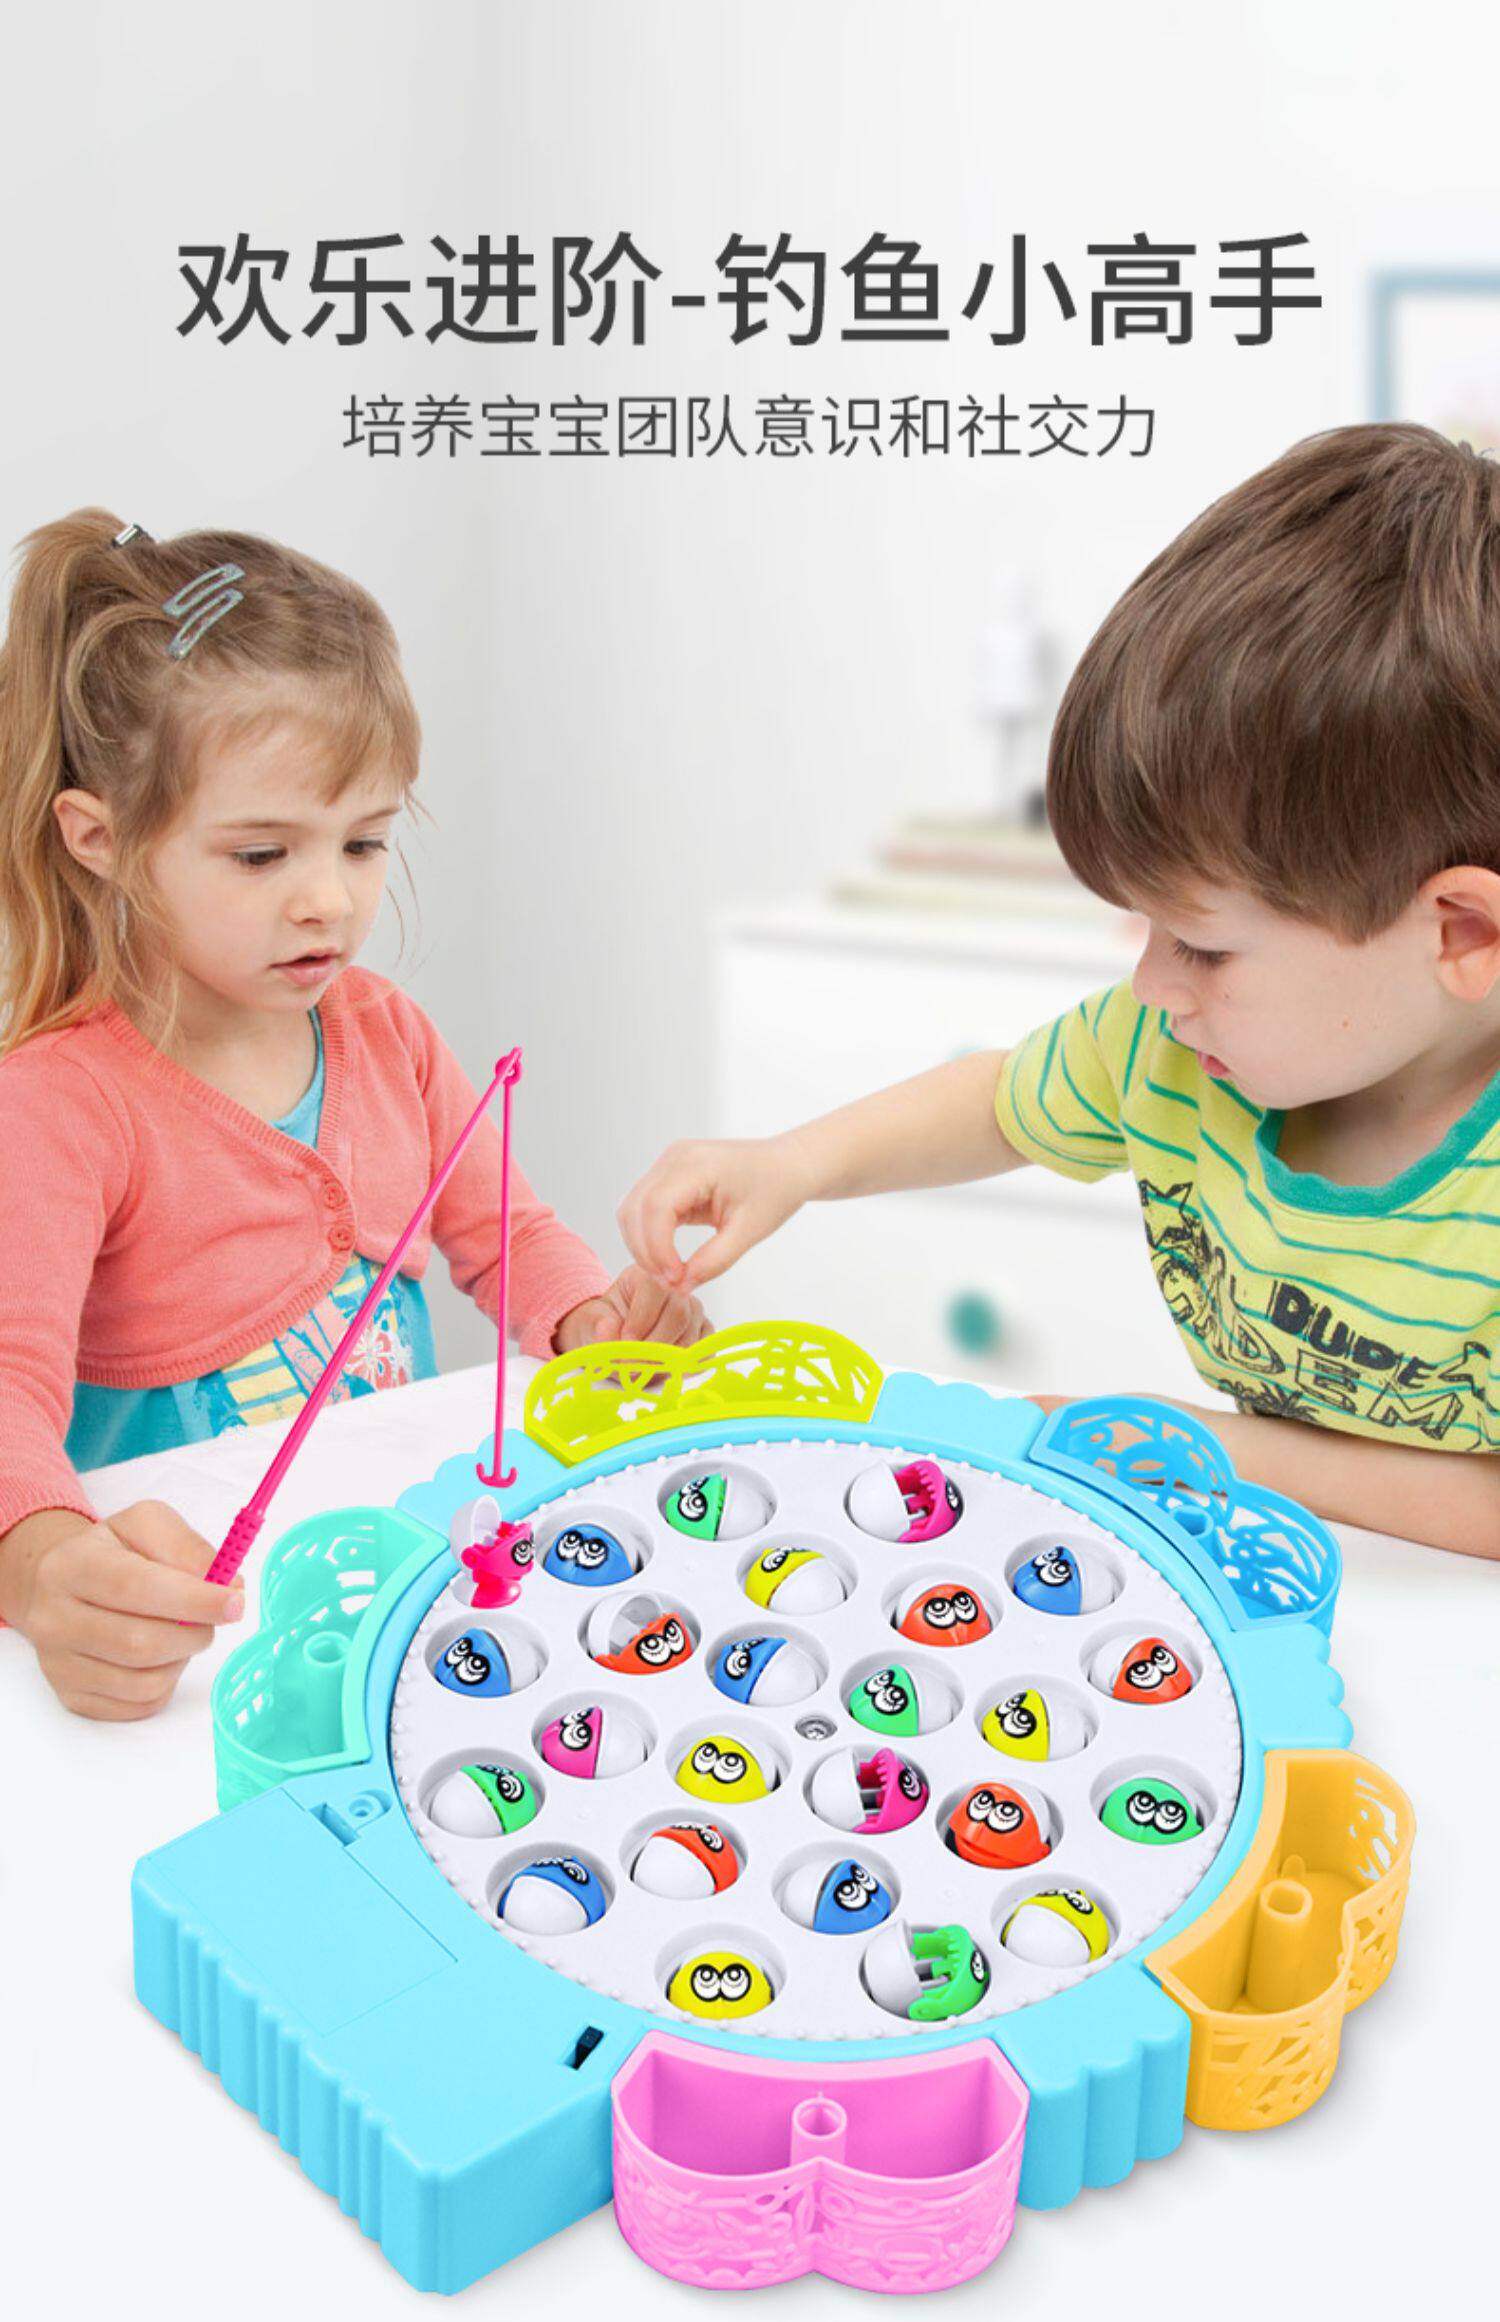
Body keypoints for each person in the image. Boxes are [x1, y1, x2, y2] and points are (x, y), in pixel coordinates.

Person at [618, 423, 1500, 1563]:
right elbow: (1001, 1102)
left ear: (1463, 932)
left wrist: (1216, 1446)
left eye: (1203, 945)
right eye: (1146, 928)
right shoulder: (1173, 1047)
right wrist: (792, 1165)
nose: (1151, 985)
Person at [0, 510, 705, 1718]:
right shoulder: (61, 1104)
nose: (327, 898)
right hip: (195, 1653)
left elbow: (508, 1236)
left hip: (386, 1608)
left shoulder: (387, 1034)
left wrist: (592, 1326)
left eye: (365, 842)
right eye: (262, 855)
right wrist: (41, 1561)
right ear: (100, 839)